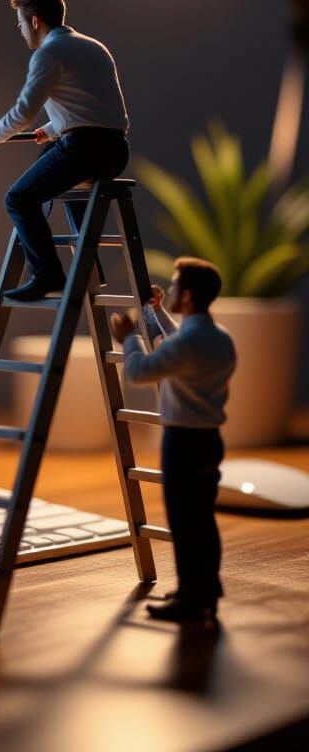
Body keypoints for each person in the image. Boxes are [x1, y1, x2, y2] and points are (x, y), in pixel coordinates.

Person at [0, 0, 130, 301]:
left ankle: (47, 274)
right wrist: (52, 130)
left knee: (19, 199)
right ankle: (88, 266)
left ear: (36, 21)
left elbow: (22, 114)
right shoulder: (94, 47)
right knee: (49, 155)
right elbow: (99, 112)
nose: (20, 30)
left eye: (21, 23)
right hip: (115, 151)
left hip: (83, 151)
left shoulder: (48, 54)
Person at [110, 257, 236, 624]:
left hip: (182, 442)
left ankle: (192, 601)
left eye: (177, 286)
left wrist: (130, 336)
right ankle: (203, 591)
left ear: (190, 296)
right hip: (209, 439)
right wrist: (156, 312)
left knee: (185, 523)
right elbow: (178, 341)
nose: (172, 290)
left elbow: (138, 371)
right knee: (201, 521)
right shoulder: (218, 337)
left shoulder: (188, 344)